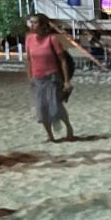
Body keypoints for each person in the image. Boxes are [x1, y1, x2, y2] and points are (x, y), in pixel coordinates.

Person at [25, 13, 75, 142]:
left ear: (43, 26)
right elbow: (29, 59)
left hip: (52, 77)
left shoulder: (52, 39)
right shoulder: (29, 39)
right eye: (31, 22)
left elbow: (63, 60)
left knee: (55, 106)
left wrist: (66, 81)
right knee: (41, 108)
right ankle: (50, 135)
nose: (32, 25)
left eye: (35, 23)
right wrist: (30, 76)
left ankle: (68, 127)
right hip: (37, 78)